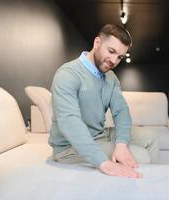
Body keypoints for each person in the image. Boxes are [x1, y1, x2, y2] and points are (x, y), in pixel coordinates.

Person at [49, 24, 158, 178]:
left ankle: (152, 189)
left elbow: (121, 112)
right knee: (142, 157)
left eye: (120, 57)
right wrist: (104, 163)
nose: (114, 60)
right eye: (111, 51)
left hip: (100, 135)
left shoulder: (111, 77)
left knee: (152, 137)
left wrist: (121, 143)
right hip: (70, 148)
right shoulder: (68, 74)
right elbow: (69, 122)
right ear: (97, 43)